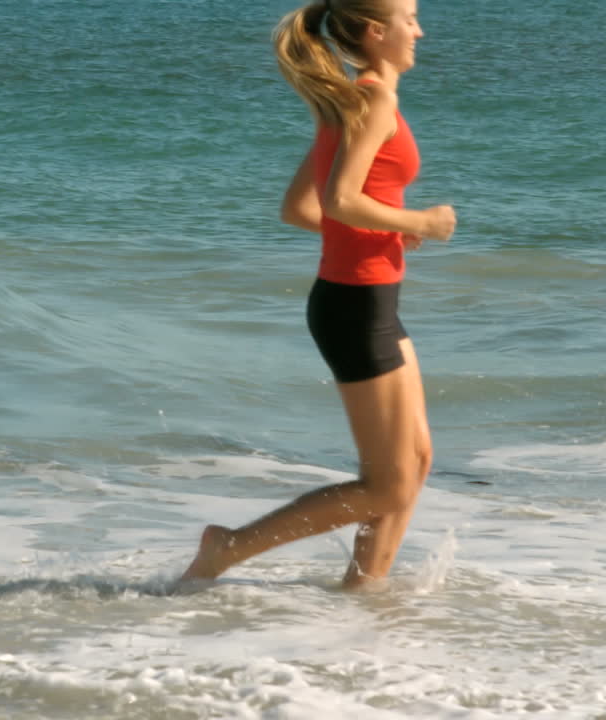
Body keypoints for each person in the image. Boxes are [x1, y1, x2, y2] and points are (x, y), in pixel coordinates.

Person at [179, 0, 457, 589]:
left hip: (370, 301)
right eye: (410, 19)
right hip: (354, 307)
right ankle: (227, 548)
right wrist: (417, 224)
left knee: (414, 465)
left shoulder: (350, 101)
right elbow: (337, 203)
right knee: (387, 483)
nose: (420, 30)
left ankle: (364, 593)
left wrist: (386, 233)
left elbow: (299, 208)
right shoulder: (373, 101)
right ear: (378, 33)